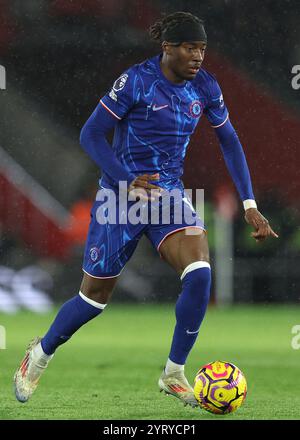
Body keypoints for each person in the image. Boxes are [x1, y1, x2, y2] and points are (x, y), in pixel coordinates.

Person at [14, 11, 278, 408]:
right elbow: (91, 134)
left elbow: (230, 141)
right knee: (93, 300)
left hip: (167, 197)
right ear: (168, 47)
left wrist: (250, 204)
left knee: (200, 273)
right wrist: (125, 180)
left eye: (203, 49)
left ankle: (173, 372)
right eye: (190, 48)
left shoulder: (205, 87)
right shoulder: (135, 81)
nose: (198, 57)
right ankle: (39, 354)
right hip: (119, 199)